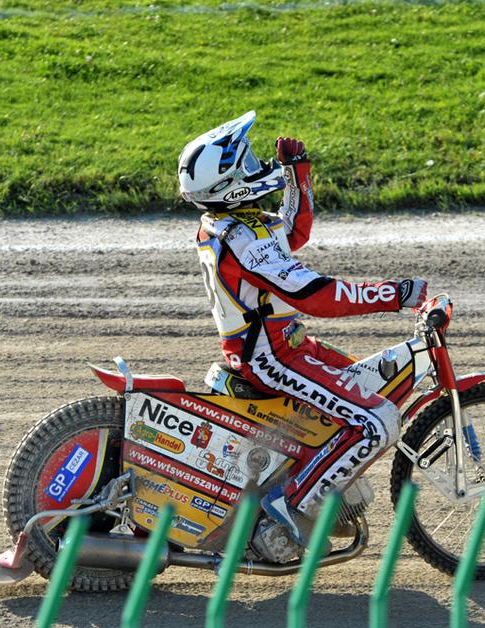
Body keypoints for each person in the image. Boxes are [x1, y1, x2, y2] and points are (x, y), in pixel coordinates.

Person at [178, 111, 427, 543]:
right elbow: (313, 295)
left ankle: (317, 488)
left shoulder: (236, 223)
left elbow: (292, 231)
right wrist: (395, 294)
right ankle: (291, 508)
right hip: (270, 358)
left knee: (373, 386)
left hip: (287, 346)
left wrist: (297, 175)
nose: (258, 166)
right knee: (379, 420)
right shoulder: (241, 239)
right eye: (247, 163)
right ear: (228, 184)